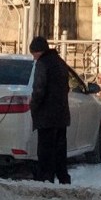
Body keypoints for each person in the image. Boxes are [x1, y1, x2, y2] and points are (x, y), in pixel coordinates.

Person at [29, 35, 71, 185]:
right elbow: (66, 87)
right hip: (61, 115)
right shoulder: (60, 63)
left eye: (33, 54)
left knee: (46, 151)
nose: (34, 58)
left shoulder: (43, 64)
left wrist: (33, 106)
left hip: (46, 116)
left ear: (38, 51)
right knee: (60, 150)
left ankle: (46, 180)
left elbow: (39, 89)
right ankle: (64, 179)